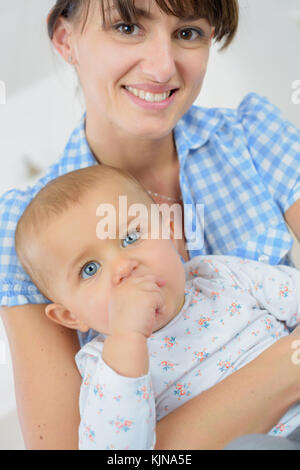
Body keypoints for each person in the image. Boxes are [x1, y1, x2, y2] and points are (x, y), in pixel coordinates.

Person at [1, 0, 300, 450]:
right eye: (126, 26)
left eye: (188, 33)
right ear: (67, 40)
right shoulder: (25, 232)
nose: (162, 68)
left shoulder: (253, 135)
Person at [14, 165, 300, 450]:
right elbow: (121, 451)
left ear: (170, 232)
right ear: (71, 316)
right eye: (90, 269)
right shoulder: (106, 367)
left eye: (130, 238)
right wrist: (128, 339)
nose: (123, 267)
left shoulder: (217, 275)